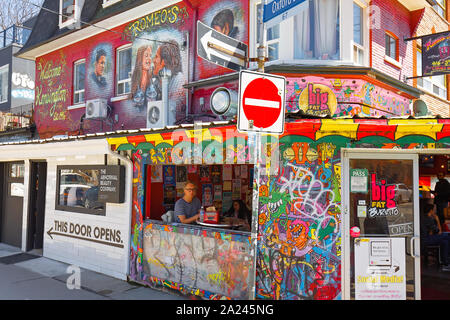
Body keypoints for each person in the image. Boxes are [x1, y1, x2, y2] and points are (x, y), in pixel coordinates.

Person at [420, 203, 450, 271]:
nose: (435, 211)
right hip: (426, 240)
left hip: (425, 239)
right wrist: (437, 219)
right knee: (448, 235)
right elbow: (439, 232)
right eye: (434, 210)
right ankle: (446, 262)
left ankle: (445, 263)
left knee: (445, 242)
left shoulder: (423, 218)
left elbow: (431, 232)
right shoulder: (428, 219)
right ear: (430, 211)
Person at [131, 45, 158, 109]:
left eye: (150, 56)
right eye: (146, 56)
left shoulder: (153, 82)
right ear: (140, 59)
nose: (149, 58)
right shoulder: (134, 83)